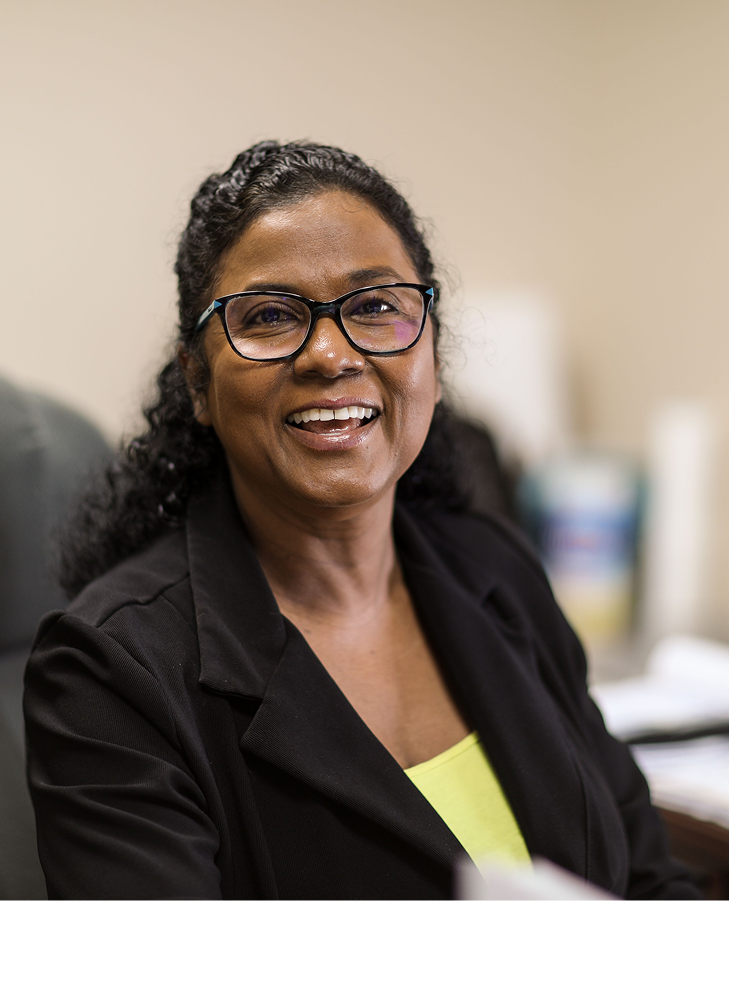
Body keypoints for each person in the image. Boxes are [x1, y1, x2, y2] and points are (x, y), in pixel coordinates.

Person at [24, 142, 698, 900]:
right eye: (271, 316)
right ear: (199, 384)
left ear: (432, 361)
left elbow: (648, 877)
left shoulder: (496, 570)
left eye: (375, 307)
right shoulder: (112, 672)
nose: (329, 353)